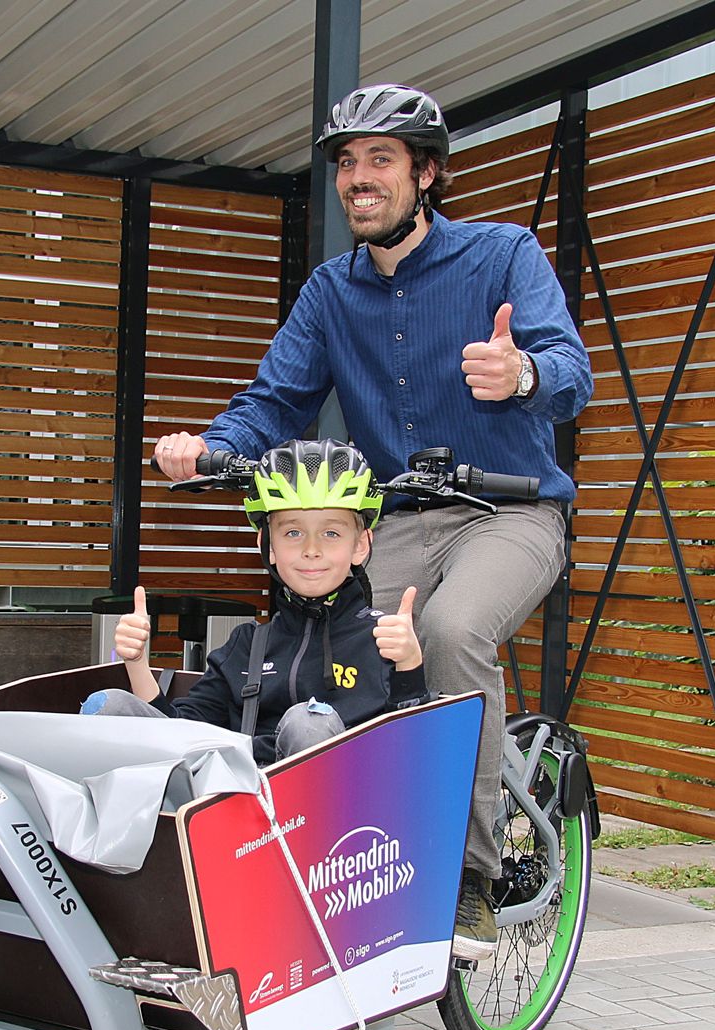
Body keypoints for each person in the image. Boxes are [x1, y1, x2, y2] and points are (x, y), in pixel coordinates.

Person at [151, 84, 593, 963]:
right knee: (321, 640)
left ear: (424, 174)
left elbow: (570, 369)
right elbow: (277, 399)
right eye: (347, 163)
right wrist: (209, 447)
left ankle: (468, 875)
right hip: (396, 521)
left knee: (449, 630)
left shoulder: (500, 255)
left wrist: (524, 374)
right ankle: (334, 863)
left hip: (510, 511)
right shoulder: (330, 293)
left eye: (380, 160)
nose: (360, 178)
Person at [87, 440, 429, 764]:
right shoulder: (247, 646)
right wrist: (136, 664)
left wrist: (409, 667)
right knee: (107, 706)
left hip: (341, 811)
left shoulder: (383, 640)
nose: (312, 549)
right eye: (293, 533)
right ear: (268, 545)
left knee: (308, 723)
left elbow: (413, 758)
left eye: (331, 533)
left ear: (360, 544)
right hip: (238, 807)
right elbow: (179, 736)